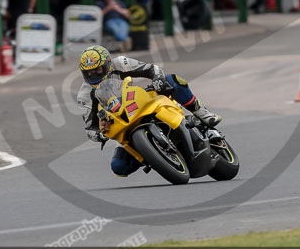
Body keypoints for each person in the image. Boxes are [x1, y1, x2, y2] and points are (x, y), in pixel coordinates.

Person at [77, 45, 222, 177]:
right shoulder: (85, 95)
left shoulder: (120, 63)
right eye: (88, 73)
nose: (94, 75)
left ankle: (201, 112)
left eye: (98, 69)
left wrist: (158, 79)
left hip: (141, 100)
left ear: (108, 63)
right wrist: (100, 134)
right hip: (122, 121)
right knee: (119, 167)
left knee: (170, 79)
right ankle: (152, 154)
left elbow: (152, 69)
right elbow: (90, 128)